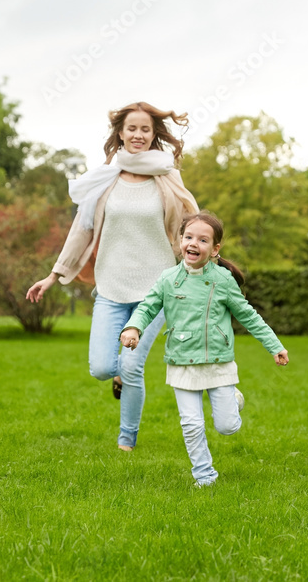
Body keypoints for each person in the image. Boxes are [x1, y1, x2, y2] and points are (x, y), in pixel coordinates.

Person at [26, 101, 199, 452]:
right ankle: (117, 376)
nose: (138, 135)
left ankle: (126, 441)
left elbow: (189, 226)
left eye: (145, 129)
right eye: (132, 128)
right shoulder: (106, 179)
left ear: (154, 136)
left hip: (155, 292)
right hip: (111, 288)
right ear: (120, 133)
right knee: (103, 367)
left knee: (133, 365)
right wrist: (53, 276)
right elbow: (82, 230)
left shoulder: (167, 177)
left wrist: (199, 268)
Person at [120, 211, 289, 487]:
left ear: (214, 249)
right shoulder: (168, 279)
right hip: (181, 360)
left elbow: (248, 316)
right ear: (180, 242)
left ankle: (234, 400)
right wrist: (132, 328)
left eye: (202, 239)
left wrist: (274, 346)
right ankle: (205, 476)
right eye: (188, 237)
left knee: (227, 426)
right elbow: (147, 307)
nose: (193, 244)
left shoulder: (222, 280)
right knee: (192, 424)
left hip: (217, 362)